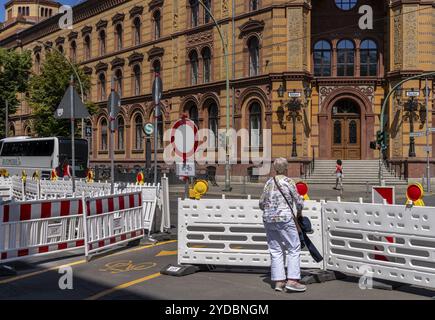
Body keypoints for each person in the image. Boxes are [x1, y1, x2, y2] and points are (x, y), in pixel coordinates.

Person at [259, 157, 306, 293]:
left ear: (274, 169)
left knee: (275, 249)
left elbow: (261, 203)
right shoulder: (288, 181)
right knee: (293, 247)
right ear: (286, 168)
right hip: (284, 217)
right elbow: (298, 201)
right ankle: (292, 280)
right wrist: (299, 211)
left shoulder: (268, 182)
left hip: (268, 219)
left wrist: (271, 210)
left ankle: (279, 282)